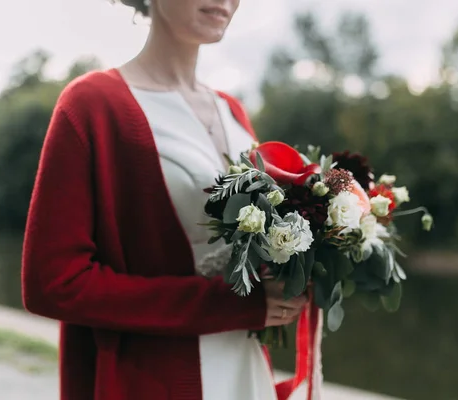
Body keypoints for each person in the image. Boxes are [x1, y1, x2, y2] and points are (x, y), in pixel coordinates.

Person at [21, 1, 314, 399]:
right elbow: (53, 284)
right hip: (153, 378)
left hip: (244, 370)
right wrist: (230, 305)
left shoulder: (233, 111)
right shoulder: (92, 104)